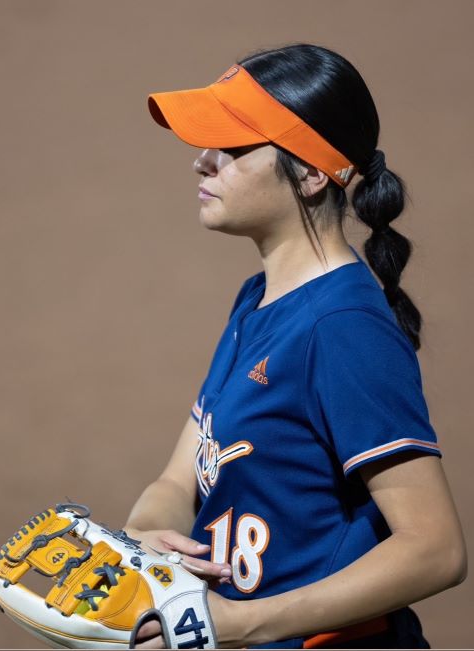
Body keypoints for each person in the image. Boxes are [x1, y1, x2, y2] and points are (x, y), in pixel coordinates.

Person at [123, 44, 466, 648]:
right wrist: (147, 531)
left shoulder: (343, 328)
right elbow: (182, 478)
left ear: (311, 173)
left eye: (231, 146)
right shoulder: (257, 300)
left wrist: (236, 623)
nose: (202, 161)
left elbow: (434, 549)